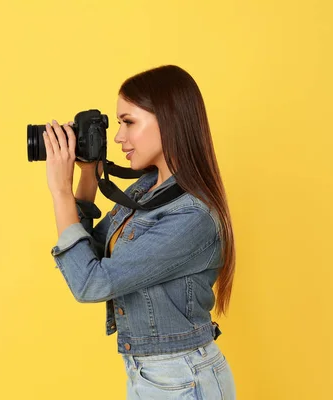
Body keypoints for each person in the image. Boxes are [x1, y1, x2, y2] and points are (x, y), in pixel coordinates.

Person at [42, 64, 236, 399]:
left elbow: (91, 283)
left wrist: (60, 191)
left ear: (169, 119)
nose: (118, 137)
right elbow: (93, 254)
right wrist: (87, 174)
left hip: (182, 380)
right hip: (152, 377)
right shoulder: (146, 191)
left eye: (129, 122)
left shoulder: (192, 214)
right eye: (118, 124)